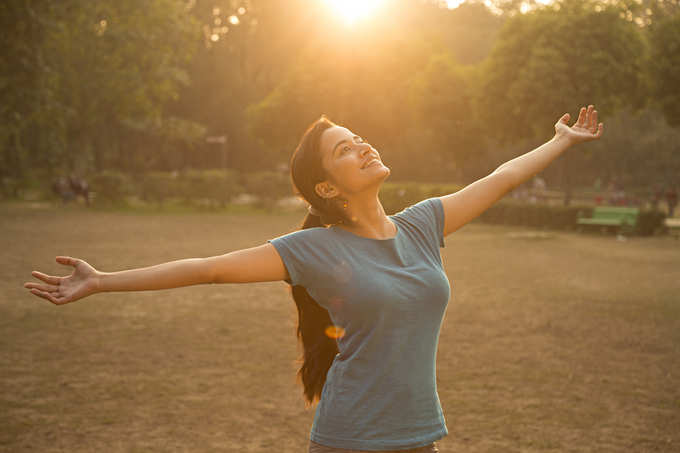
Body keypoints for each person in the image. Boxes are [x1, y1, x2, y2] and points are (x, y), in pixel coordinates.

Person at [24, 105, 604, 452]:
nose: (363, 146)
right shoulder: (313, 250)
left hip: (420, 436)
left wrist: (559, 141)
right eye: (346, 150)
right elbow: (209, 270)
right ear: (328, 187)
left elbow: (500, 178)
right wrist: (102, 281)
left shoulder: (424, 223)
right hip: (352, 441)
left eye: (360, 139)